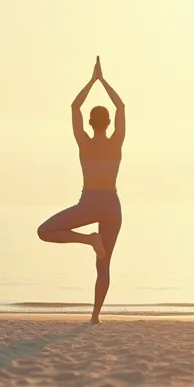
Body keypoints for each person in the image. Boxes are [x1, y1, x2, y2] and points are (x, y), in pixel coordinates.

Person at [37, 56, 125, 324]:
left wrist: (91, 81)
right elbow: (121, 105)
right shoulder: (116, 142)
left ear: (89, 123)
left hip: (89, 203)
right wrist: (104, 81)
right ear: (109, 123)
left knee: (45, 231)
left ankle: (88, 240)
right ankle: (95, 317)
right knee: (104, 265)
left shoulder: (84, 142)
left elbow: (75, 106)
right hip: (112, 204)